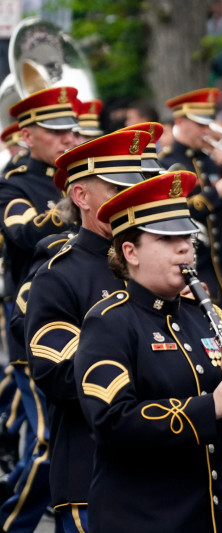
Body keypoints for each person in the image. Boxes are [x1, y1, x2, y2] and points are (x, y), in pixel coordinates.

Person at [75, 170, 222, 533]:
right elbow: (112, 423)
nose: (184, 248)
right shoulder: (109, 322)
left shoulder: (203, 315)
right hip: (144, 519)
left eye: (188, 238)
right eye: (167, 239)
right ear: (129, 251)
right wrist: (212, 404)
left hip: (214, 517)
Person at [26, 130, 150, 531]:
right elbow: (60, 374)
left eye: (138, 187)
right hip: (92, 475)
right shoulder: (61, 274)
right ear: (80, 197)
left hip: (166, 476)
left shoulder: (156, 264)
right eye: (117, 189)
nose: (134, 199)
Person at [0, 86, 81, 532]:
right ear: (28, 136)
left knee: (71, 445)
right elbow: (22, 236)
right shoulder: (14, 183)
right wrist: (71, 203)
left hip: (90, 323)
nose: (68, 139)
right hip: (36, 328)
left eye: (71, 130)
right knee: (51, 444)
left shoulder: (84, 176)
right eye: (57, 132)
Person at [160, 88, 222, 307]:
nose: (206, 130)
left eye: (208, 124)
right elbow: (180, 211)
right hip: (188, 279)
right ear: (180, 121)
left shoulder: (211, 161)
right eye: (200, 124)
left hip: (219, 279)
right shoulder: (166, 163)